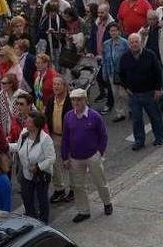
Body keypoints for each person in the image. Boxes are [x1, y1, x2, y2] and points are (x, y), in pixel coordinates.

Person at [61, 89, 112, 223]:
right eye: (73, 100)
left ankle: (107, 203)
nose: (76, 102)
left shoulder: (95, 116)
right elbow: (65, 138)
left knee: (100, 182)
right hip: (75, 158)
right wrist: (65, 157)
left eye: (79, 99)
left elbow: (103, 136)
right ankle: (83, 211)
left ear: (85, 100)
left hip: (92, 155)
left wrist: (99, 153)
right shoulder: (68, 117)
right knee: (78, 186)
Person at [118, 33, 163, 151]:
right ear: (129, 44)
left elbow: (157, 72)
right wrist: (126, 87)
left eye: (136, 42)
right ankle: (139, 141)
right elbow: (121, 74)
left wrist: (158, 88)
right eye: (132, 42)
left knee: (155, 116)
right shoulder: (125, 57)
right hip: (134, 95)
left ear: (141, 43)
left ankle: (159, 138)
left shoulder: (150, 55)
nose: (134, 44)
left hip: (149, 92)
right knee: (136, 119)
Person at [11, 111, 55, 223]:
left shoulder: (45, 139)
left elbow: (51, 158)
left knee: (42, 200)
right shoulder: (24, 134)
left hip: (41, 175)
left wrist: (38, 167)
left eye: (29, 121)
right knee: (27, 199)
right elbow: (18, 146)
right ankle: (32, 222)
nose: (26, 122)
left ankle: (43, 222)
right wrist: (5, 146)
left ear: (36, 124)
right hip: (26, 174)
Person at [139, 10, 163, 113]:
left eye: (153, 19)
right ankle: (161, 102)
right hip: (151, 62)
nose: (151, 21)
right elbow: (137, 41)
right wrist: (142, 35)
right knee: (156, 85)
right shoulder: (145, 28)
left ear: (157, 19)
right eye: (149, 19)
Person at [44, 77, 74, 203]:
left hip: (69, 138)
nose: (55, 87)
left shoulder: (71, 101)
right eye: (54, 84)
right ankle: (59, 189)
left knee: (71, 164)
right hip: (54, 136)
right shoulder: (51, 100)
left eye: (58, 84)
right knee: (54, 163)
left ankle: (73, 189)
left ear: (65, 86)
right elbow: (46, 117)